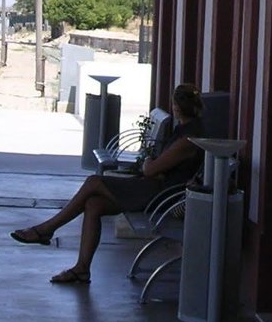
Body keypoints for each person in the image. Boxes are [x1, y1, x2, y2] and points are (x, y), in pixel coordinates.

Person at [10, 83, 205, 284]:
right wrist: (152, 163)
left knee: (94, 181)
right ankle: (81, 269)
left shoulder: (187, 139)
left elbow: (150, 169)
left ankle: (47, 229)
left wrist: (148, 161)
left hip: (160, 197)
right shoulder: (185, 130)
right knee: (93, 204)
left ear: (176, 107)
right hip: (156, 189)